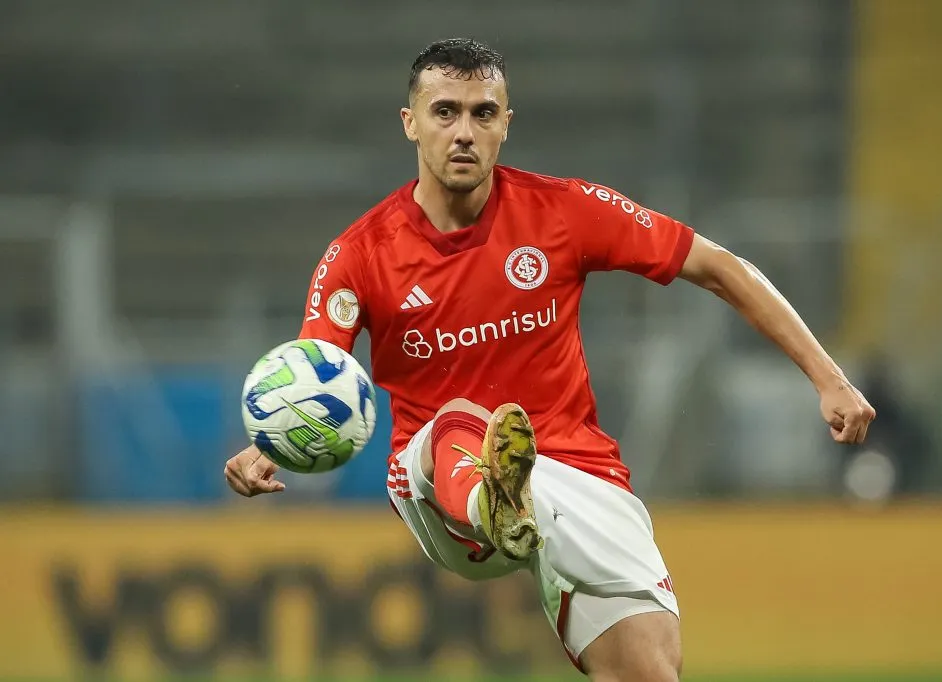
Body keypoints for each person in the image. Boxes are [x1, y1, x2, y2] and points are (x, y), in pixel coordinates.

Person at [224, 38, 876, 681]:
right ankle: (494, 501)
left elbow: (718, 267)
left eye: (483, 113)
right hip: (438, 481)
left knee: (648, 668)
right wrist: (270, 445)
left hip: (573, 472)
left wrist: (830, 379)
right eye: (444, 111)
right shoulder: (361, 254)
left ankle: (518, 503)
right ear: (410, 124)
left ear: (506, 123)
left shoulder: (561, 212)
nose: (463, 132)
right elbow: (317, 377)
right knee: (459, 420)